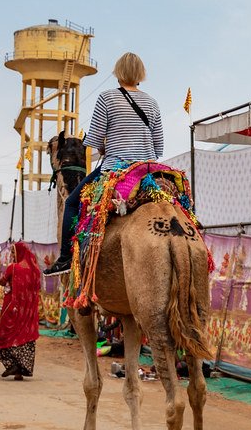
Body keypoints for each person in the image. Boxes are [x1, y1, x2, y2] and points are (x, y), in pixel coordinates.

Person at [44, 52, 164, 276]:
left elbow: (93, 141)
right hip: (146, 171)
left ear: (118, 74)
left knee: (71, 203)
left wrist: (104, 147)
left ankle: (66, 259)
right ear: (141, 75)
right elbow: (159, 149)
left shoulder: (107, 98)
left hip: (115, 169)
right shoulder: (152, 102)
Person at [0, 242, 41, 380]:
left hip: (13, 308)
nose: (12, 255)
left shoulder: (13, 268)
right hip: (29, 312)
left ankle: (12, 364)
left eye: (14, 252)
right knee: (24, 337)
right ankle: (19, 371)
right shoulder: (35, 270)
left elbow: (2, 281)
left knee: (2, 336)